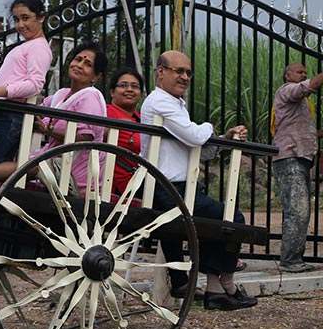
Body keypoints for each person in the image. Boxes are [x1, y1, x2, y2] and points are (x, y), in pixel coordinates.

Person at [140, 50, 257, 311]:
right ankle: (224, 282)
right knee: (233, 220)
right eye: (178, 71)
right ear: (161, 72)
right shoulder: (161, 102)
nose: (184, 77)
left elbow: (197, 149)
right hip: (169, 189)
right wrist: (209, 128)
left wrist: (222, 139)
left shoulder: (173, 104)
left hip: (177, 187)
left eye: (188, 73)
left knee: (215, 223)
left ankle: (215, 288)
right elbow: (194, 137)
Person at [0, 0, 53, 182]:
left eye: (26, 18)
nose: (20, 25)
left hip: (10, 116)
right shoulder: (30, 45)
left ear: (41, 17)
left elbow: (35, 84)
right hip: (4, 114)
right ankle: (28, 167)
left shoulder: (39, 47)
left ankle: (31, 167)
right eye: (17, 19)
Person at [34, 42, 108, 193]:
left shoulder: (91, 97)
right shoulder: (61, 94)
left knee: (27, 166)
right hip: (54, 166)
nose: (79, 65)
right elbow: (40, 108)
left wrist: (50, 130)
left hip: (75, 177)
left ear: (96, 76)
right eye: (78, 59)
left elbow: (85, 137)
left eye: (87, 64)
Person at [271, 62, 323, 272]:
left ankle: (294, 259)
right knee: (298, 210)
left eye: (305, 72)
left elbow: (301, 129)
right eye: (299, 71)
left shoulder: (300, 105)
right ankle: (290, 261)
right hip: (290, 158)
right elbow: (307, 87)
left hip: (299, 157)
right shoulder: (287, 91)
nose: (303, 74)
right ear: (287, 75)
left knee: (300, 209)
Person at [105, 67, 144, 196]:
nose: (129, 90)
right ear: (112, 92)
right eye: (123, 85)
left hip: (140, 182)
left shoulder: (143, 119)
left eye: (135, 86)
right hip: (115, 186)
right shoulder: (105, 112)